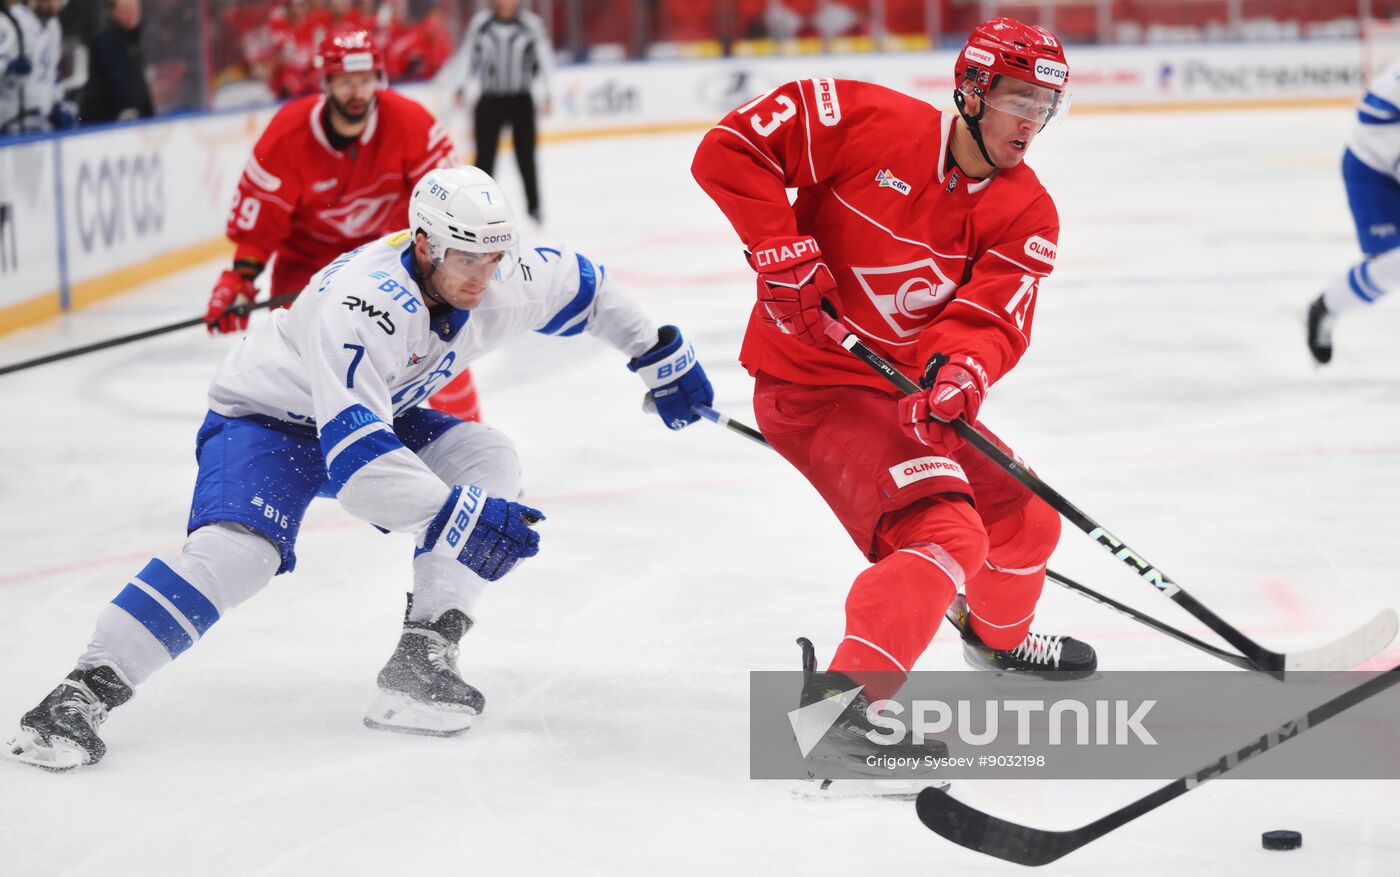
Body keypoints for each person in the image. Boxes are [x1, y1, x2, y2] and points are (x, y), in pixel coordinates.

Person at [5, 165, 715, 771]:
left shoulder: (496, 271)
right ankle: (78, 694)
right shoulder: (366, 305)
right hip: (267, 418)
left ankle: (421, 657)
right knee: (241, 555)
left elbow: (590, 288)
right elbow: (359, 464)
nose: (484, 277)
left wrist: (659, 356)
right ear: (426, 243)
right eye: (468, 259)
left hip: (377, 409)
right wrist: (459, 519)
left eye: (495, 258)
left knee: (488, 457)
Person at [691, 18, 1096, 760]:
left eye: (1044, 109)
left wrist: (959, 371)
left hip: (905, 393)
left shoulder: (1026, 209)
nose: (1030, 124)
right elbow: (731, 149)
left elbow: (989, 319)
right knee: (946, 533)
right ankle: (838, 715)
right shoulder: (862, 119)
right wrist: (778, 245)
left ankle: (994, 639)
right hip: (811, 386)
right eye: (1018, 101)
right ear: (972, 91)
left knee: (1026, 517)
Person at [207, 28, 485, 422]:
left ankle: (468, 446)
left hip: (386, 257)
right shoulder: (288, 135)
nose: (357, 92)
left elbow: (447, 202)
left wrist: (448, 260)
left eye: (366, 80)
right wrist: (240, 279)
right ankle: (318, 458)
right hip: (307, 266)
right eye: (346, 82)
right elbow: (260, 223)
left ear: (378, 79)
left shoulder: (410, 123)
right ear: (327, 83)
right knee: (302, 368)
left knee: (436, 345)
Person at [1306, 59, 1400, 364]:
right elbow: (1373, 120)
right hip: (1371, 169)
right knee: (1392, 264)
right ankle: (1327, 307)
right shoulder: (1391, 89)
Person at [453, 0, 553, 224]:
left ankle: (534, 206)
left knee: (526, 156)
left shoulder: (531, 25)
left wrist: (548, 93)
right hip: (490, 99)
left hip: (521, 100)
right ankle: (478, 208)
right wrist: (460, 86)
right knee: (484, 159)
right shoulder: (481, 24)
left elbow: (545, 59)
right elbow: (467, 56)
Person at [77, 0, 151, 124]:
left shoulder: (139, 39)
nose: (132, 13)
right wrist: (128, 107)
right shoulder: (106, 40)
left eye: (135, 8)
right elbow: (117, 78)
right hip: (104, 123)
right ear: (112, 12)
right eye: (125, 9)